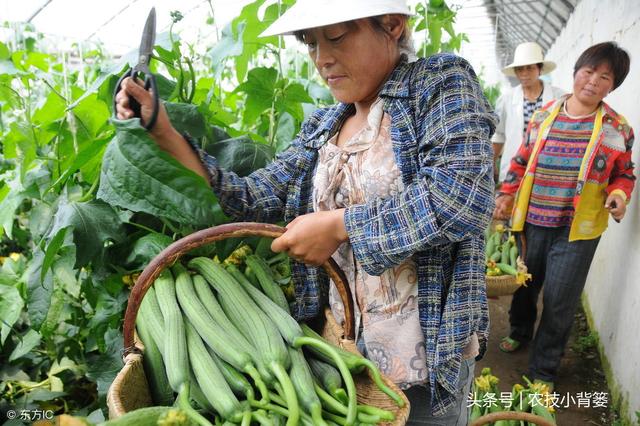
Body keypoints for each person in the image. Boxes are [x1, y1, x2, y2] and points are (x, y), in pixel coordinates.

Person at [115, 0, 497, 423]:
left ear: (391, 25)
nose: (322, 58)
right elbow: (251, 198)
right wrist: (164, 131)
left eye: (335, 37)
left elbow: (463, 195)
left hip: (425, 354)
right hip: (342, 350)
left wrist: (340, 225)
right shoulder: (324, 125)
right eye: (310, 43)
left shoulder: (438, 84)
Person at [493, 42, 634, 390]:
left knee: (559, 300)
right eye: (588, 72)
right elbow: (521, 160)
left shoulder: (616, 128)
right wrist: (506, 195)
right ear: (575, 73)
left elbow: (624, 175)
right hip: (531, 222)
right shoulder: (545, 115)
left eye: (604, 77)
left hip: (576, 232)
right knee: (525, 287)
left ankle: (543, 370)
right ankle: (520, 331)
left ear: (612, 86)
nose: (593, 82)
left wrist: (618, 196)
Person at [492, 42, 565, 183]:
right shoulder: (506, 100)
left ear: (540, 69)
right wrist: (491, 163)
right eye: (520, 69)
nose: (524, 74)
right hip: (515, 168)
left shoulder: (559, 98)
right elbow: (499, 134)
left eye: (530, 68)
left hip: (548, 167)